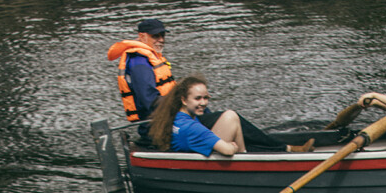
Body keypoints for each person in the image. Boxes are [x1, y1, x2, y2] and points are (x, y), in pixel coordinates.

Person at [146, 76, 345, 158]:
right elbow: (227, 150)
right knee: (232, 117)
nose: (204, 103)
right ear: (183, 100)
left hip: (192, 146)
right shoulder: (193, 128)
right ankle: (266, 151)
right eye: (198, 98)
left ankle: (286, 148)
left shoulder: (178, 119)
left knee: (233, 120)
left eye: (206, 98)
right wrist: (232, 146)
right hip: (209, 152)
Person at [107, 18, 175, 124]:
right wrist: (182, 104)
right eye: (155, 36)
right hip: (154, 125)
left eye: (162, 35)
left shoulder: (151, 57)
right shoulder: (139, 63)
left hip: (166, 117)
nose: (161, 39)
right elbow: (150, 100)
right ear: (142, 37)